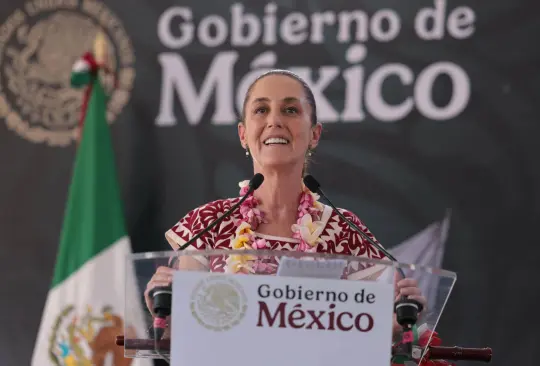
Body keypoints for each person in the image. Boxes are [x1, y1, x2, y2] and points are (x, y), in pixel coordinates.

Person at [144, 69, 426, 337]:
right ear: (243, 134)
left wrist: (400, 321)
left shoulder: (344, 230)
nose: (274, 121)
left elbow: (369, 329)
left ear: (314, 134)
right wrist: (165, 312)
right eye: (261, 110)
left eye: (291, 110)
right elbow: (186, 335)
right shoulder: (207, 224)